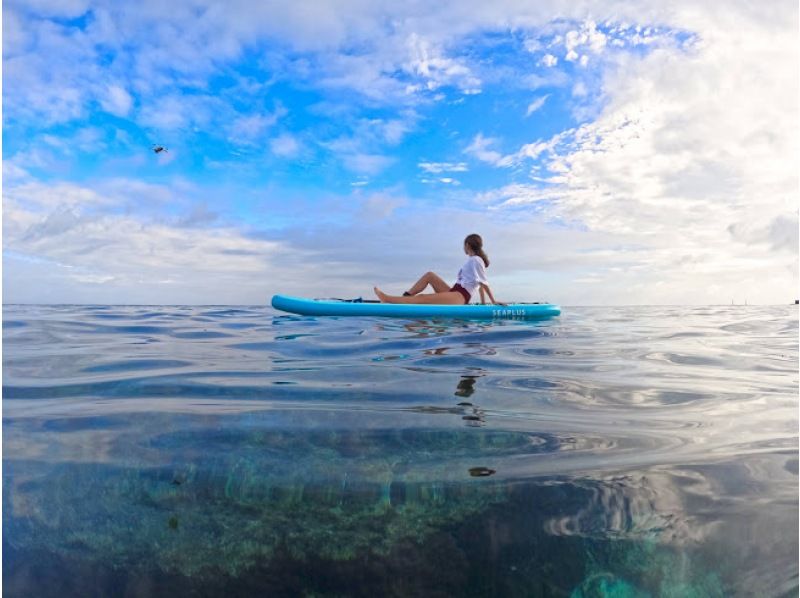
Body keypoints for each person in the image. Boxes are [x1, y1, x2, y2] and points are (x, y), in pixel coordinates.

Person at [374, 234, 502, 305]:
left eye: (464, 245)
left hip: (460, 296)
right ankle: (406, 298)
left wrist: (492, 302)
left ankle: (387, 299)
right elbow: (479, 282)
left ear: (467, 245)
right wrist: (483, 304)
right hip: (455, 292)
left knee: (423, 298)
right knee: (430, 275)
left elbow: (483, 283)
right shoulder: (473, 260)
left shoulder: (476, 260)